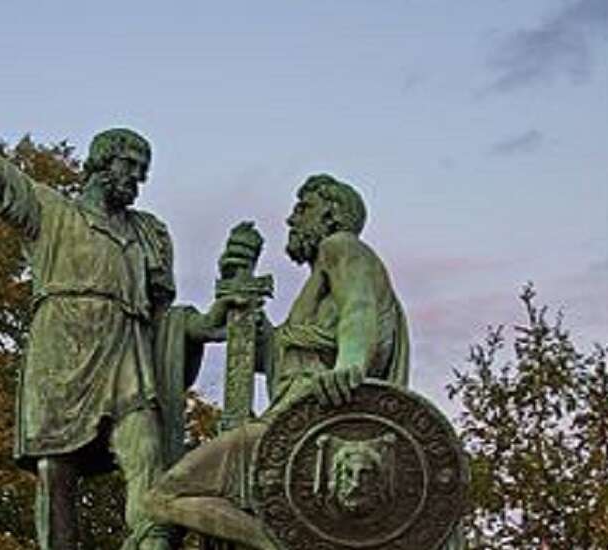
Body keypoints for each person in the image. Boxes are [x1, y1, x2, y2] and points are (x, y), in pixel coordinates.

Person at [0, 23, 227, 550]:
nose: (137, 180)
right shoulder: (49, 211)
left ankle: (150, 543)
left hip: (125, 352)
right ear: (100, 163)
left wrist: (203, 327)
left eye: (143, 172)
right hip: (61, 349)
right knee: (56, 474)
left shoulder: (149, 232)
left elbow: (166, 319)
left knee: (144, 452)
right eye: (130, 167)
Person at [144, 174, 411, 550]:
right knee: (168, 498)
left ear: (332, 214)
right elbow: (278, 357)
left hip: (306, 420)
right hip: (290, 416)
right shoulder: (317, 287)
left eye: (304, 208)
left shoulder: (342, 247)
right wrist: (237, 288)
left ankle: (288, 541)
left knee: (162, 497)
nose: (291, 219)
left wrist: (350, 364)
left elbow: (360, 310)